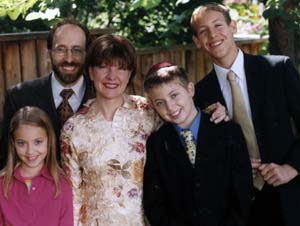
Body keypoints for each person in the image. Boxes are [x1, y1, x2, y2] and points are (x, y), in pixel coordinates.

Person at [191, 3, 300, 226]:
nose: (213, 35)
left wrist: (292, 168)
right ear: (197, 41)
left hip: (291, 194)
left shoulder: (277, 69)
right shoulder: (199, 95)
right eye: (203, 31)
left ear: (233, 27)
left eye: (218, 25)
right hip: (239, 207)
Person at [142, 62, 252, 226]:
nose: (170, 107)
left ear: (190, 90)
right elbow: (154, 202)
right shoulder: (157, 143)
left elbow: (242, 192)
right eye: (160, 102)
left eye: (174, 95)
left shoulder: (228, 132)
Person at [0, 19, 94, 169]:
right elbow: (5, 159)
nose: (69, 59)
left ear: (87, 54)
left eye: (77, 50)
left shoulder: (101, 96)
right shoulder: (19, 97)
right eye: (61, 49)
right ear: (48, 54)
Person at [0, 106, 73, 226]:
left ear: (49, 140)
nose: (30, 151)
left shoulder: (62, 184)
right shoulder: (2, 184)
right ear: (13, 144)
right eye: (21, 143)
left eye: (38, 142)